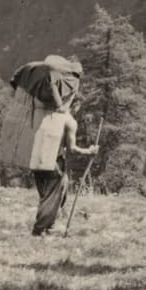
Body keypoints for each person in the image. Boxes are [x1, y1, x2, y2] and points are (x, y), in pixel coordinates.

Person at [31, 96, 99, 236]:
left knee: (47, 195)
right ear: (75, 105)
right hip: (55, 162)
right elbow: (72, 148)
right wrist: (89, 151)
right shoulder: (69, 122)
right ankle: (39, 229)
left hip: (37, 160)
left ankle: (49, 226)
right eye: (78, 106)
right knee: (54, 196)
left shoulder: (47, 116)